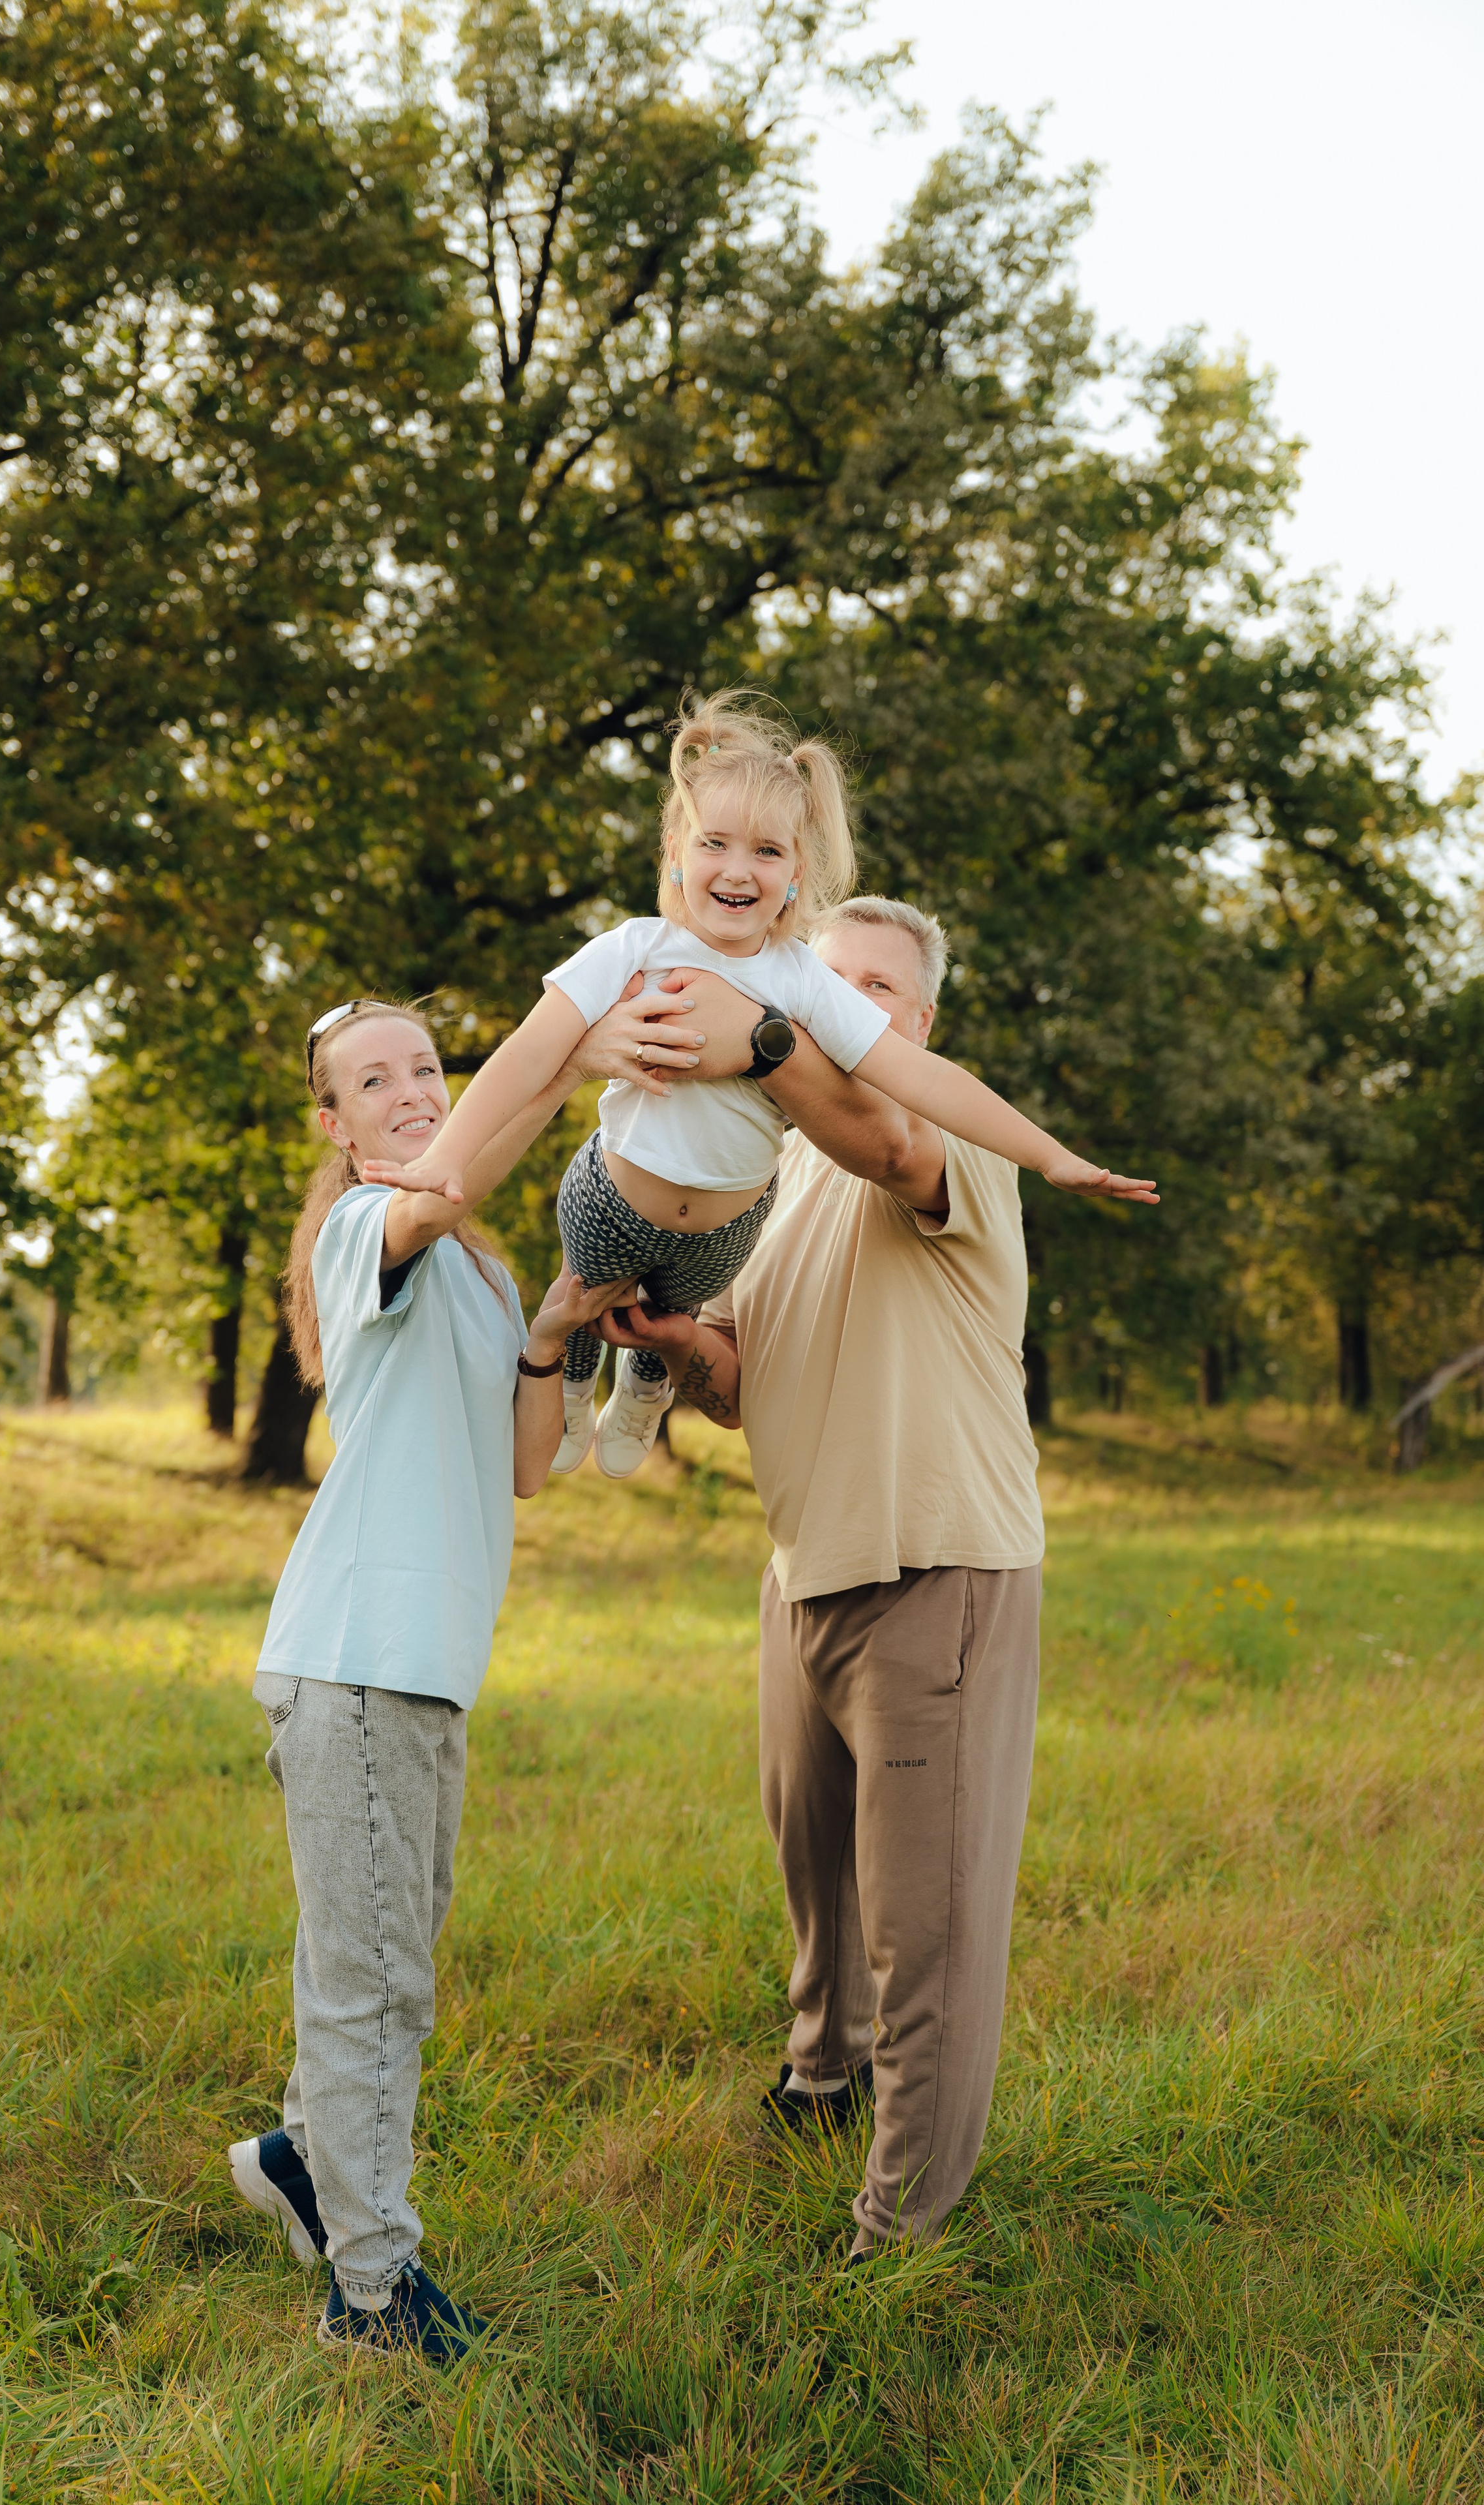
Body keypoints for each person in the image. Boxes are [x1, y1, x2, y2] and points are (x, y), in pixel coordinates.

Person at [598, 898, 1123, 2260]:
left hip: (933, 1569)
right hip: (802, 1576)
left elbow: (884, 1135)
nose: (846, 1008)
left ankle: (900, 2226)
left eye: (873, 991)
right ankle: (817, 2081)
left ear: (921, 1024)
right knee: (816, 1883)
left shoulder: (947, 1137)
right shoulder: (769, 1189)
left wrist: (761, 1029)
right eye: (824, 983)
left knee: (922, 1925)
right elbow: (732, 1381)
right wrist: (671, 1342)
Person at [361, 691, 1155, 1482]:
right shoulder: (631, 949)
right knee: (584, 1295)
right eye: (715, 843)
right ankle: (573, 1380)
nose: (738, 870)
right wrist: (447, 1160)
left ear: (795, 874)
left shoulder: (801, 982)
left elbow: (920, 1075)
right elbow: (527, 1055)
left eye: (768, 853)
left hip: (721, 1236)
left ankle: (643, 1386)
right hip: (614, 1196)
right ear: (676, 849)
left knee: (665, 1321)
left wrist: (1051, 1158)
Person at [226, 995, 639, 2359]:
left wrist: (557, 1324)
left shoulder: (473, 1269)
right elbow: (452, 1170)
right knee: (373, 1983)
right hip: (354, 1664)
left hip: (420, 1677)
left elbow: (529, 1463)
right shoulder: (367, 1234)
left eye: (426, 1067)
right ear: (332, 1125)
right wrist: (573, 1046)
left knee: (386, 1966)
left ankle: (300, 2158)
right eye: (373, 1080)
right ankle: (372, 2295)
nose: (410, 1090)